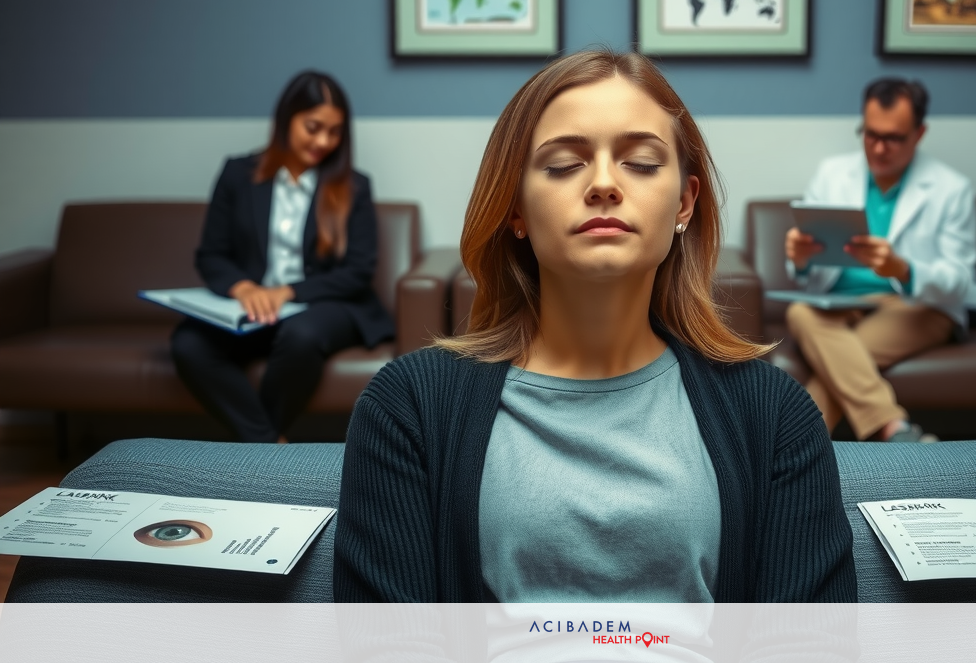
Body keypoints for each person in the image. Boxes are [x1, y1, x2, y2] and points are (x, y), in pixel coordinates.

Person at [334, 50, 856, 603]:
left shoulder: (776, 415)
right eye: (563, 165)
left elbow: (807, 644)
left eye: (642, 163)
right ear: (515, 208)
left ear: (684, 202)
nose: (604, 184)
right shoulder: (408, 407)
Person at [171, 71, 392, 443]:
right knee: (189, 344)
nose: (323, 141)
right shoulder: (237, 174)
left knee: (300, 335)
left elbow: (358, 271)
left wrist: (286, 292)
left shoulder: (354, 186)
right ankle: (269, 444)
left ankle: (260, 448)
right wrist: (243, 288)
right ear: (286, 119)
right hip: (254, 308)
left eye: (334, 131)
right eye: (313, 127)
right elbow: (211, 255)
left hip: (326, 305)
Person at [784, 78, 976, 443]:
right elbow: (804, 271)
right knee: (799, 312)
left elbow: (962, 279)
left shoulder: (953, 189)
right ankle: (896, 428)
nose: (877, 147)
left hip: (913, 305)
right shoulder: (832, 173)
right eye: (869, 134)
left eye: (892, 138)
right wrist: (801, 259)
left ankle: (790, 452)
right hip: (841, 301)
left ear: (920, 134)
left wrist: (903, 270)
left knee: (841, 355)